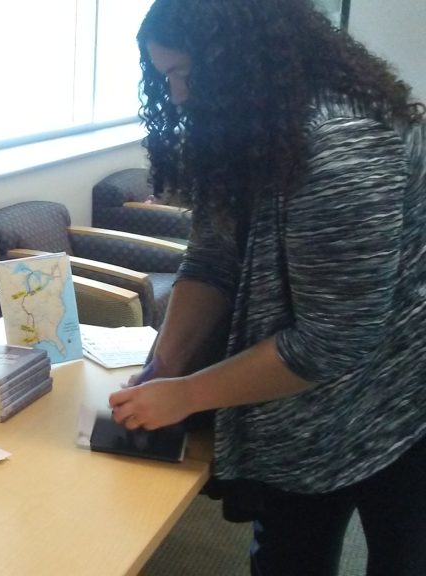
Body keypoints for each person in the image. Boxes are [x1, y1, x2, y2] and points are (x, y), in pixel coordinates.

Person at [108, 1, 426, 574]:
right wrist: (166, 365)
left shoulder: (343, 146)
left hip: (396, 400)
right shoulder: (247, 128)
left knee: (401, 556)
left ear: (238, 60)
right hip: (292, 410)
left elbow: (329, 343)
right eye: (165, 78)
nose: (177, 96)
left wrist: (185, 395)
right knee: (286, 556)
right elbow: (211, 262)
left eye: (184, 74)